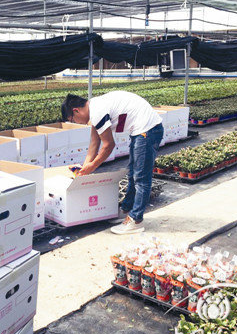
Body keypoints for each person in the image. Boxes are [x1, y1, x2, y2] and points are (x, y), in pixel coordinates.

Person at [61, 91, 164, 235]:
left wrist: (93, 166)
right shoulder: (94, 108)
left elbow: (109, 145)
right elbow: (94, 142)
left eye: (73, 120)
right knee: (132, 174)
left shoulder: (97, 112)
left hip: (148, 130)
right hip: (141, 130)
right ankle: (127, 210)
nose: (76, 123)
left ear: (76, 111)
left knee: (141, 178)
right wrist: (84, 168)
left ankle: (136, 220)